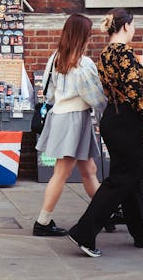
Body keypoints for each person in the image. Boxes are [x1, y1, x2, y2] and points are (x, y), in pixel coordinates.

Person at [68, 9, 143, 257]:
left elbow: (123, 85)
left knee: (134, 179)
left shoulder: (106, 53)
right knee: (122, 179)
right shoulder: (124, 52)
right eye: (134, 25)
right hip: (127, 121)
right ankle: (83, 232)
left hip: (114, 119)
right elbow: (134, 94)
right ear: (125, 26)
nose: (135, 29)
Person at [32, 14, 107, 237]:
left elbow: (49, 92)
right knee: (62, 172)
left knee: (89, 169)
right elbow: (96, 97)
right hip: (75, 119)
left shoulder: (56, 57)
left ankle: (106, 211)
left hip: (61, 116)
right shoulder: (83, 64)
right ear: (83, 35)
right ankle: (42, 222)